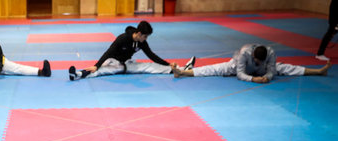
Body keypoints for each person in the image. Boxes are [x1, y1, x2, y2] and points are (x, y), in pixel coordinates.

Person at [68, 21, 195, 81]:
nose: (145, 39)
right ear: (139, 33)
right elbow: (109, 52)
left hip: (128, 64)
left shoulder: (142, 42)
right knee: (102, 70)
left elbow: (151, 55)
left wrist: (167, 64)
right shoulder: (123, 38)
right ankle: (78, 74)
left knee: (148, 66)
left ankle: (180, 69)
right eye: (145, 36)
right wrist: (96, 65)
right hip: (113, 62)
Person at [173, 44, 331, 83]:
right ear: (253, 56)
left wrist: (268, 76)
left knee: (286, 68)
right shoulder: (244, 53)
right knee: (214, 69)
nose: (257, 62)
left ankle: (318, 71)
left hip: (262, 70)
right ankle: (182, 72)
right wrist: (253, 79)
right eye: (256, 60)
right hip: (238, 66)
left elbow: (272, 70)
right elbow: (240, 74)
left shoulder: (270, 54)